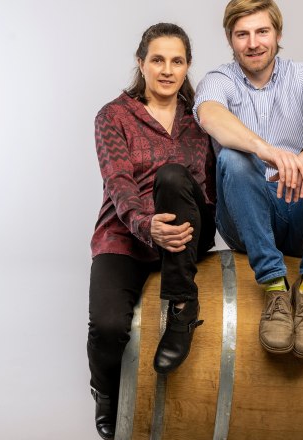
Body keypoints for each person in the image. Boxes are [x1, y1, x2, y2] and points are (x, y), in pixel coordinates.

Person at [194, 0, 303, 359]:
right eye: (242, 34)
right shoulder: (218, 80)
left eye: (262, 31)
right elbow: (211, 115)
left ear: (278, 34)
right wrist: (266, 150)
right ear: (230, 39)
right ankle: (274, 287)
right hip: (244, 215)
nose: (253, 43)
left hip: (300, 211)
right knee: (233, 156)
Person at [86, 23, 216, 440]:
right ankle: (106, 395)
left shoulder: (202, 119)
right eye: (157, 60)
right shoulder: (114, 115)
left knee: (174, 176)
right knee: (107, 327)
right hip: (126, 234)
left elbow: (215, 184)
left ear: (188, 66)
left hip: (187, 229)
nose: (166, 69)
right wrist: (147, 225)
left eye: (176, 61)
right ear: (141, 63)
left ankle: (182, 309)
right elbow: (118, 182)